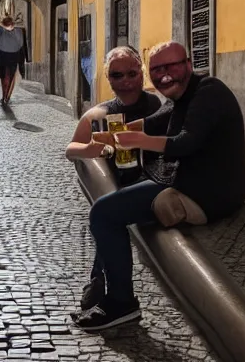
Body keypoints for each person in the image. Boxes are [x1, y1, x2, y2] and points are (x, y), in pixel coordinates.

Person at [73, 41, 245, 331]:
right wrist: (100, 141)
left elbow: (186, 143)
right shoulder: (183, 97)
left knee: (103, 214)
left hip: (207, 191)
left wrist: (137, 141)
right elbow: (151, 124)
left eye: (172, 66)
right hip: (190, 181)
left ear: (189, 65)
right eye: (157, 69)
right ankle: (100, 283)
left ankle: (121, 302)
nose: (164, 74)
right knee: (117, 203)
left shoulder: (209, 92)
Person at [66, 46, 161, 313]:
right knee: (107, 211)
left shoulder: (157, 105)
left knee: (108, 214)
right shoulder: (100, 113)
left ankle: (99, 279)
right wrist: (90, 150)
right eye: (117, 75)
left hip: (152, 180)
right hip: (118, 183)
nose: (126, 81)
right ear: (108, 78)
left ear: (142, 73)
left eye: (133, 73)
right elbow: (70, 149)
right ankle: (101, 280)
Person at [0, 16, 29, 105]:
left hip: (3, 57)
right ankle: (6, 96)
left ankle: (5, 95)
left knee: (5, 77)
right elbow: (23, 46)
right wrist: (24, 60)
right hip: (12, 56)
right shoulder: (19, 31)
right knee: (10, 77)